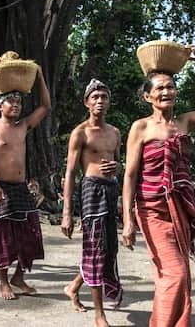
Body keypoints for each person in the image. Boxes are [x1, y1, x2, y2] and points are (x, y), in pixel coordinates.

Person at [122, 46, 195, 327]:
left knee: (170, 275)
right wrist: (127, 221)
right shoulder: (141, 128)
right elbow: (130, 176)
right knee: (176, 273)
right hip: (151, 210)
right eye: (159, 88)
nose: (166, 92)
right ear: (147, 96)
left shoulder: (184, 122)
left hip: (180, 210)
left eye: (170, 87)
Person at [0, 67, 51, 300]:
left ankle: (19, 277)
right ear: (0, 106)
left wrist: (40, 77)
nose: (16, 104)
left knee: (31, 234)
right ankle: (2, 282)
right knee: (3, 237)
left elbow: (45, 107)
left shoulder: (22, 126)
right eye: (10, 100)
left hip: (21, 189)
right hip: (1, 187)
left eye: (19, 101)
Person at [60, 79, 123, 327]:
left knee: (109, 249)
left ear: (108, 101)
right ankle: (100, 314)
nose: (99, 101)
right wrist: (67, 213)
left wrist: (118, 167)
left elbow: (119, 165)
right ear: (87, 102)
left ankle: (74, 286)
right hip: (91, 191)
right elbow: (70, 172)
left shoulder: (115, 132)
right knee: (96, 250)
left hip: (111, 191)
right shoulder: (81, 132)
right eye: (95, 97)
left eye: (104, 96)